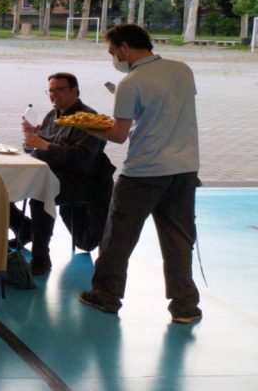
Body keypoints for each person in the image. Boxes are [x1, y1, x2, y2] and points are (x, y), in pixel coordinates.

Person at [79, 24, 202, 324]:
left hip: (143, 171)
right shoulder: (183, 70)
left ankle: (106, 295)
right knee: (178, 239)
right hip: (184, 168)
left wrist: (86, 126)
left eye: (113, 52)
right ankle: (185, 306)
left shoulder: (131, 82)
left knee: (118, 237)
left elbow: (118, 134)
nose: (114, 58)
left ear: (124, 47)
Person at [14, 72, 115, 275]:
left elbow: (83, 160)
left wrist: (44, 145)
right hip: (52, 175)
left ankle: (40, 258)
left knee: (41, 195)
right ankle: (24, 229)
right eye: (50, 90)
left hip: (83, 181)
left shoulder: (89, 119)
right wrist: (31, 139)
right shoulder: (53, 115)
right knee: (1, 187)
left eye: (59, 90)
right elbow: (37, 149)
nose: (53, 94)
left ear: (75, 91)